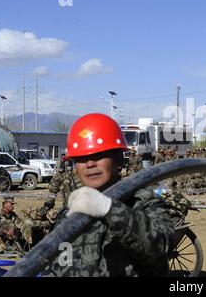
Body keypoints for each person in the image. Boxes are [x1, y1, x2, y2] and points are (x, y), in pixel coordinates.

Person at [42, 113, 174, 277]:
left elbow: (160, 246)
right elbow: (59, 266)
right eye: (82, 158)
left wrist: (110, 210)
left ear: (118, 159)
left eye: (98, 155)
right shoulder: (71, 212)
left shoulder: (141, 202)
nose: (90, 164)